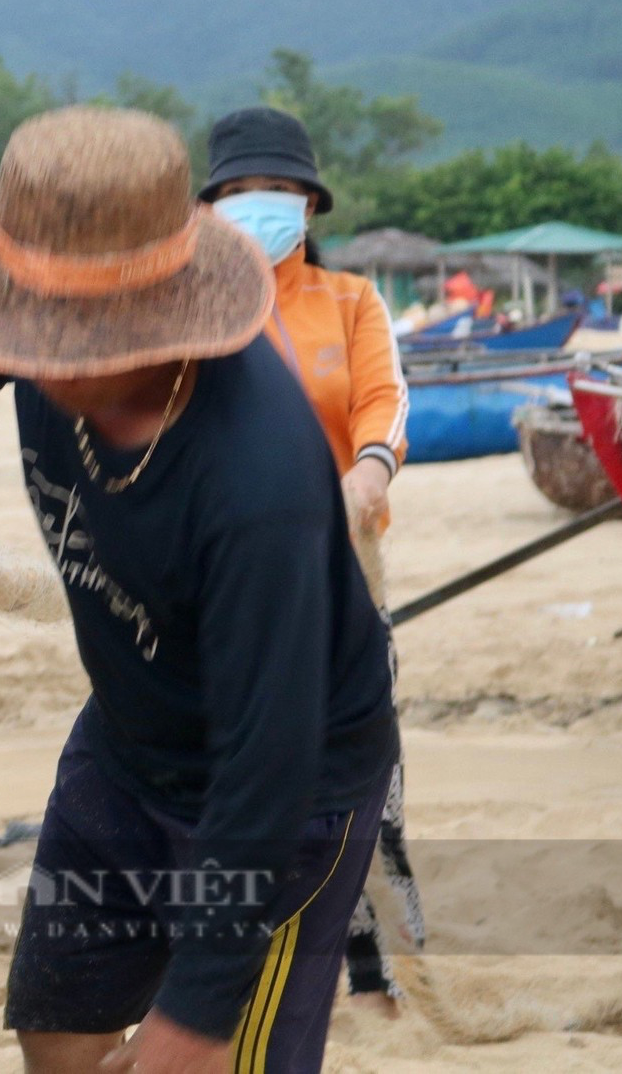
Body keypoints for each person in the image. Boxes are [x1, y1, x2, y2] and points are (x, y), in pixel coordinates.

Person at [0, 106, 399, 1074]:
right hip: (124, 753)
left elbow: (268, 762)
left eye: (58, 330)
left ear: (153, 314)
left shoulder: (254, 480)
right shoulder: (29, 329)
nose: (30, 353)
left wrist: (192, 1018)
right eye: (17, 318)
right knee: (58, 1035)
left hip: (283, 800)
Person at [200, 106, 424, 1015]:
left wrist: (371, 469)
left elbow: (383, 400)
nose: (262, 205)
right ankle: (235, 961)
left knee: (368, 774)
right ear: (211, 206)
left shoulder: (351, 303)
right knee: (240, 772)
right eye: (243, 191)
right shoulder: (194, 312)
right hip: (227, 586)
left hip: (348, 577)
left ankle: (378, 968)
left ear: (310, 207)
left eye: (280, 191)